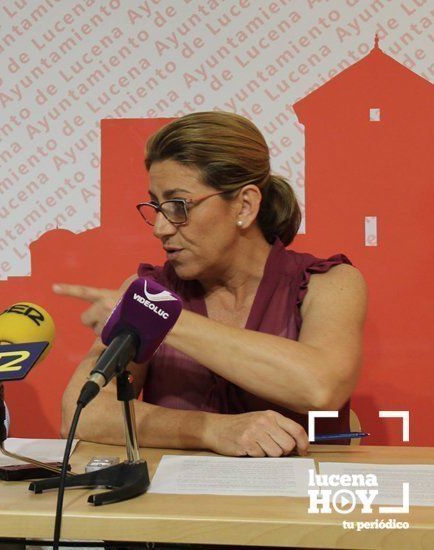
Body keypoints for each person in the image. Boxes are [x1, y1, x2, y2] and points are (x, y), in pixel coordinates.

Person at [57, 111, 367, 458]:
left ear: (245, 206)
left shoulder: (329, 283)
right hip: (182, 507)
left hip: (304, 505)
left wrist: (163, 318)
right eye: (157, 206)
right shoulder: (150, 288)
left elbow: (321, 385)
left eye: (178, 205)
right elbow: (81, 412)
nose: (160, 227)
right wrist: (209, 429)